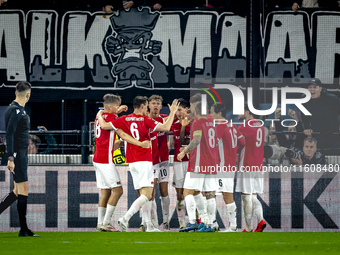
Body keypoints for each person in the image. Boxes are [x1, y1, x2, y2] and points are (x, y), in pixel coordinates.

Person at [96, 96, 179, 232]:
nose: (147, 108)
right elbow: (165, 127)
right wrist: (172, 112)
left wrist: (99, 114)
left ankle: (148, 226)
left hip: (132, 162)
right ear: (142, 106)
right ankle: (125, 218)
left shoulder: (124, 119)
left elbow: (104, 125)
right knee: (147, 195)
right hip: (145, 160)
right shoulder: (146, 120)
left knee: (143, 194)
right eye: (146, 106)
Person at [93, 94, 150, 232]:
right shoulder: (111, 119)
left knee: (105, 192)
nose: (119, 108)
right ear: (111, 107)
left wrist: (107, 112)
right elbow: (123, 135)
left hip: (97, 158)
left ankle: (100, 224)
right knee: (118, 191)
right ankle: (106, 223)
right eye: (117, 106)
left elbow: (105, 121)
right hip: (105, 160)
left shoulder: (98, 117)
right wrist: (140, 144)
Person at [0, 81, 39, 237]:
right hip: (17, 155)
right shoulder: (16, 111)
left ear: (16, 92)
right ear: (28, 95)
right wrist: (10, 157)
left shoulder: (15, 109)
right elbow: (9, 134)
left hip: (18, 154)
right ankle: (23, 229)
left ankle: (24, 229)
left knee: (17, 191)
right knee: (23, 191)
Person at [177, 99, 219, 233]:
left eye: (193, 106)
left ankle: (192, 222)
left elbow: (196, 140)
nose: (191, 109)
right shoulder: (211, 120)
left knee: (187, 192)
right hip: (211, 161)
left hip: (199, 162)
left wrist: (184, 151)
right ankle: (209, 224)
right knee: (207, 194)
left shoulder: (198, 122)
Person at [210, 103, 245, 232]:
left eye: (212, 112)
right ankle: (229, 225)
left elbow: (211, 145)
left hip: (221, 167)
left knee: (215, 195)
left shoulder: (220, 127)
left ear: (219, 113)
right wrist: (233, 153)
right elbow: (243, 143)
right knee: (223, 195)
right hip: (230, 166)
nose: (211, 115)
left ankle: (228, 225)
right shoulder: (233, 126)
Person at [236, 105, 266, 233]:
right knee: (253, 195)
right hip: (258, 164)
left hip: (247, 164)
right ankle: (257, 223)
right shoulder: (260, 126)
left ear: (247, 112)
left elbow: (239, 144)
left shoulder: (244, 126)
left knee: (247, 197)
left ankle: (251, 226)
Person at [146, 95, 171, 231]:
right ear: (148, 105)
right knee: (151, 192)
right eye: (153, 103)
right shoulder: (145, 120)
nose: (155, 105)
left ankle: (165, 222)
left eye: (158, 103)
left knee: (164, 191)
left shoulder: (163, 119)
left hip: (164, 160)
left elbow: (178, 117)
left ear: (161, 106)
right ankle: (151, 222)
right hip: (152, 161)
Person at [300, 78, 340, 151]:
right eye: (310, 87)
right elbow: (304, 116)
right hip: (316, 133)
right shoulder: (305, 99)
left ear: (320, 88)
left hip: (332, 133)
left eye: (314, 87)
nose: (312, 89)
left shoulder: (332, 99)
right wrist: (306, 127)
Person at [170, 98, 190, 229]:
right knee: (179, 194)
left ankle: (198, 222)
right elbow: (178, 141)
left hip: (191, 162)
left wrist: (184, 125)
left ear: (187, 109)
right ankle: (182, 224)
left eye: (180, 109)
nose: (178, 112)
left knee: (192, 193)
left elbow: (185, 141)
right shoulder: (174, 123)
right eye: (176, 110)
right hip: (178, 162)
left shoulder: (194, 123)